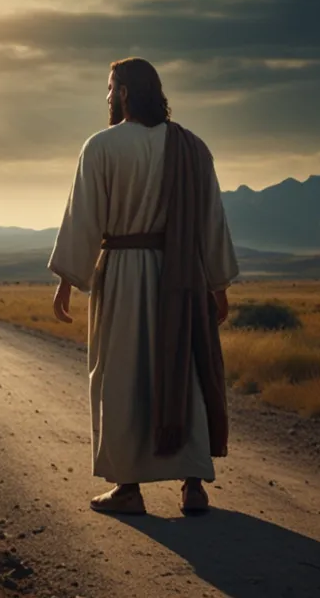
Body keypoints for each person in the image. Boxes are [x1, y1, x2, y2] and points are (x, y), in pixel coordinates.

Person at [47, 57, 239, 516]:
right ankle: (194, 486)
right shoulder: (193, 148)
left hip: (124, 273)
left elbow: (84, 221)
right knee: (185, 371)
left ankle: (128, 489)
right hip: (184, 277)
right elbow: (212, 222)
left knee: (122, 377)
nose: (107, 97)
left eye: (110, 87)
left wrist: (66, 282)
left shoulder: (102, 147)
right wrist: (218, 284)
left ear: (127, 93)